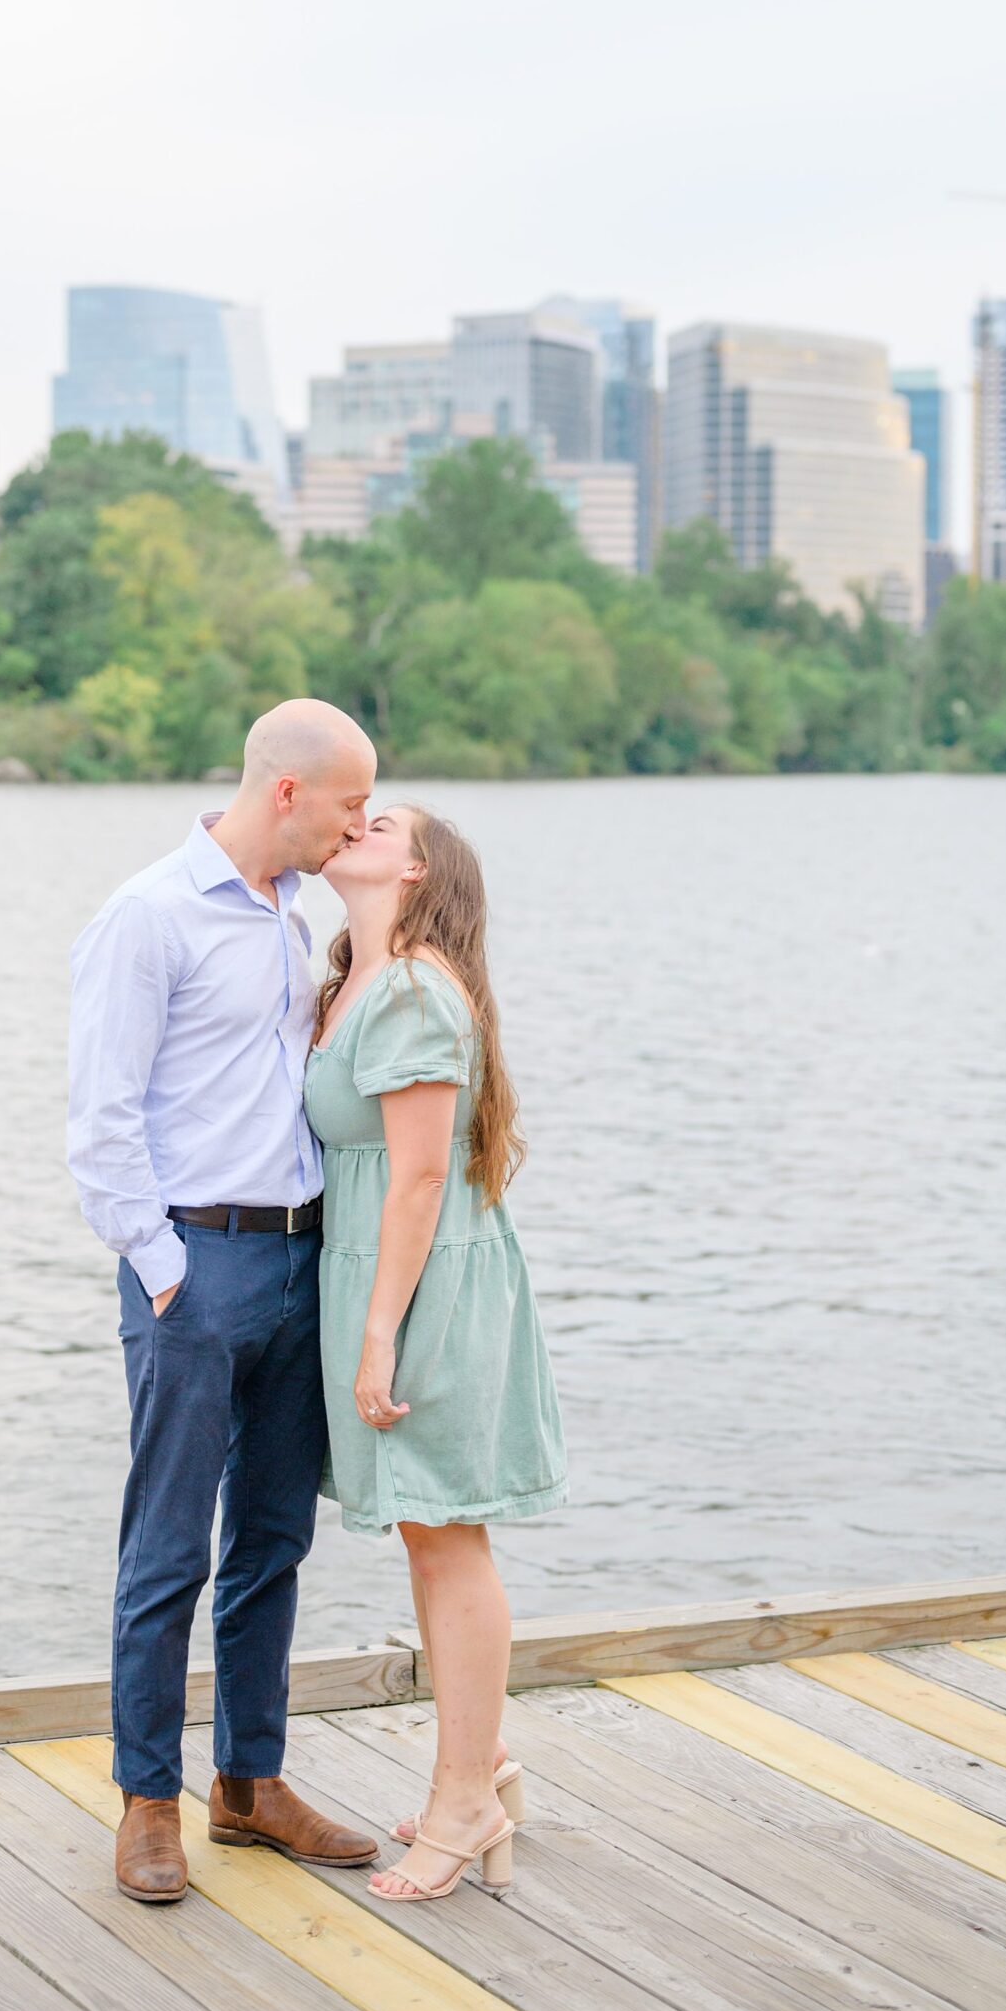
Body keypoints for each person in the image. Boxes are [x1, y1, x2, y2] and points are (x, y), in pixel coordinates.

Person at [66, 698, 381, 1905]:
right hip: (195, 1270)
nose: (360, 822)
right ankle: (148, 1799)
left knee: (271, 1540)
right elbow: (100, 1123)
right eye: (352, 801)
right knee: (166, 1547)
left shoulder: (292, 915)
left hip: (299, 1263)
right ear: (288, 790)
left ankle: (249, 1784)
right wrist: (163, 1270)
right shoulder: (146, 916)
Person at [305, 802, 567, 1905]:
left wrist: (377, 1334)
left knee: (448, 1539)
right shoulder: (354, 979)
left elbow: (416, 1176)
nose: (354, 821)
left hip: (422, 1289)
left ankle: (462, 1797)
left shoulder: (412, 986)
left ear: (416, 868)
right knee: (429, 1538)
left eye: (381, 820)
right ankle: (482, 1764)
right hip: (394, 1274)